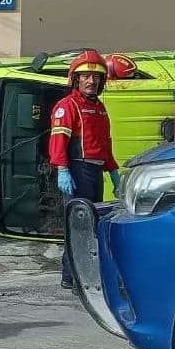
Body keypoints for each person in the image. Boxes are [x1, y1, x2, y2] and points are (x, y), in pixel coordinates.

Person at [50, 50, 119, 290]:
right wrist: (61, 168)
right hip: (77, 171)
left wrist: (113, 171)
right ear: (76, 79)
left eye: (96, 77)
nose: (91, 81)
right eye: (86, 76)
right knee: (78, 226)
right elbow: (58, 140)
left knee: (92, 226)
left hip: (95, 173)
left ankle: (86, 276)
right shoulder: (67, 106)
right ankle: (71, 277)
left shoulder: (99, 107)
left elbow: (104, 143)